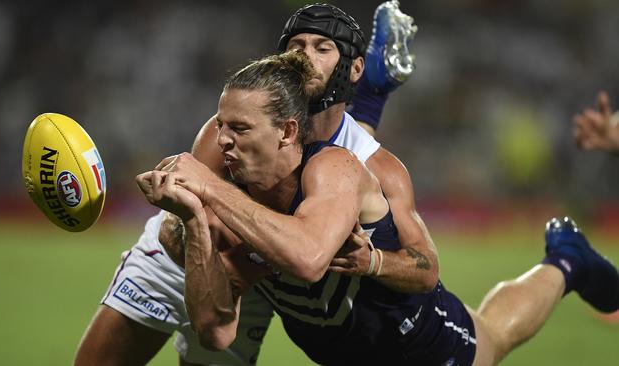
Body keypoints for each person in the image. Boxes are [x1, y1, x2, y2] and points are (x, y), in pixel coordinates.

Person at [138, 50, 619, 366]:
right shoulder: (239, 198)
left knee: (491, 338)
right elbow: (215, 330)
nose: (222, 140)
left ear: (287, 132)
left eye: (239, 129)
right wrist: (194, 219)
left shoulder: (331, 170)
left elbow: (306, 257)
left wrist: (210, 191)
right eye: (221, 125)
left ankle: (566, 260)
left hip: (414, 344)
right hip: (346, 353)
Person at [74, 2, 429, 366]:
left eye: (322, 48)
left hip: (262, 280)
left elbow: (417, 268)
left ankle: (372, 94)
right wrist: (192, 227)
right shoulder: (228, 130)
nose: (306, 56)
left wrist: (370, 261)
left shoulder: (362, 163)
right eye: (297, 46)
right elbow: (193, 237)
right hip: (203, 260)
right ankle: (372, 94)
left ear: (350, 67)